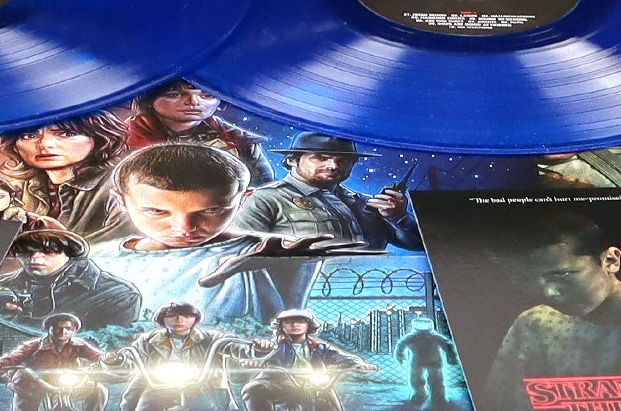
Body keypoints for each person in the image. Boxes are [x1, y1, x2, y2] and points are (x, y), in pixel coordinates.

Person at [478, 208, 621, 411]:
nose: (548, 292)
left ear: (610, 261)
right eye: (527, 279)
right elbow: (500, 409)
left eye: (563, 275)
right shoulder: (535, 323)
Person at [93, 143, 299, 325]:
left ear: (243, 199)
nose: (184, 228)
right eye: (156, 211)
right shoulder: (97, 259)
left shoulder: (266, 251)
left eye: (211, 210)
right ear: (120, 201)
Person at [235, 134, 422, 249]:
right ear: (292, 160)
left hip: (376, 291)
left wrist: (398, 217)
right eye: (321, 158)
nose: (333, 165)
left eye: (343, 160)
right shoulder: (263, 199)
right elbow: (238, 252)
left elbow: (419, 245)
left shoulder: (366, 204)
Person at [113, 302, 243, 411]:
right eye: (171, 315)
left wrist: (256, 348)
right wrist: (114, 360)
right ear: (162, 319)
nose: (179, 319)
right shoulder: (147, 340)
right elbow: (129, 360)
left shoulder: (211, 337)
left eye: (186, 315)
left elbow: (233, 346)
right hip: (158, 387)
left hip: (203, 387)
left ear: (195, 318)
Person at [242, 309, 376, 411]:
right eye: (288, 322)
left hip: (315, 385)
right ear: (281, 326)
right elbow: (260, 353)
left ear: (308, 325)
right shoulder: (276, 346)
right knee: (252, 388)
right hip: (284, 385)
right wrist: (256, 358)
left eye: (300, 321)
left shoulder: (319, 347)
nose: (294, 325)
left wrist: (359, 364)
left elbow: (341, 356)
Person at [0, 313, 110, 411]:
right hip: (33, 384)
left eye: (68, 328)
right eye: (58, 328)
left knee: (98, 390)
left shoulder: (78, 345)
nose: (63, 332)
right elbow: (14, 356)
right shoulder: (35, 345)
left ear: (74, 330)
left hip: (63, 383)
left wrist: (108, 358)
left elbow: (97, 355)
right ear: (49, 329)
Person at [0, 227, 142, 332]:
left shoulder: (117, 294)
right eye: (25, 252)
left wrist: (17, 321)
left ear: (70, 253)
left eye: (48, 251)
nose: (35, 258)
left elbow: (109, 343)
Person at [121, 81, 275, 185]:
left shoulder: (238, 141)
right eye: (175, 94)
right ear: (148, 99)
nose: (193, 102)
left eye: (206, 95)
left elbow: (264, 188)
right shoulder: (118, 140)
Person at [2, 115, 129, 239]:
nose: (44, 144)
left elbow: (117, 245)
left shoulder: (120, 185)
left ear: (100, 138)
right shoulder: (15, 189)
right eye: (29, 136)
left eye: (68, 134)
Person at [395, 319, 458, 406]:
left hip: (418, 361)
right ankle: (438, 397)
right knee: (436, 379)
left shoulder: (411, 337)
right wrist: (451, 358)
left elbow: (400, 345)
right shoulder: (435, 337)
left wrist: (401, 358)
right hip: (434, 361)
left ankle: (420, 395)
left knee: (417, 379)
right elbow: (448, 345)